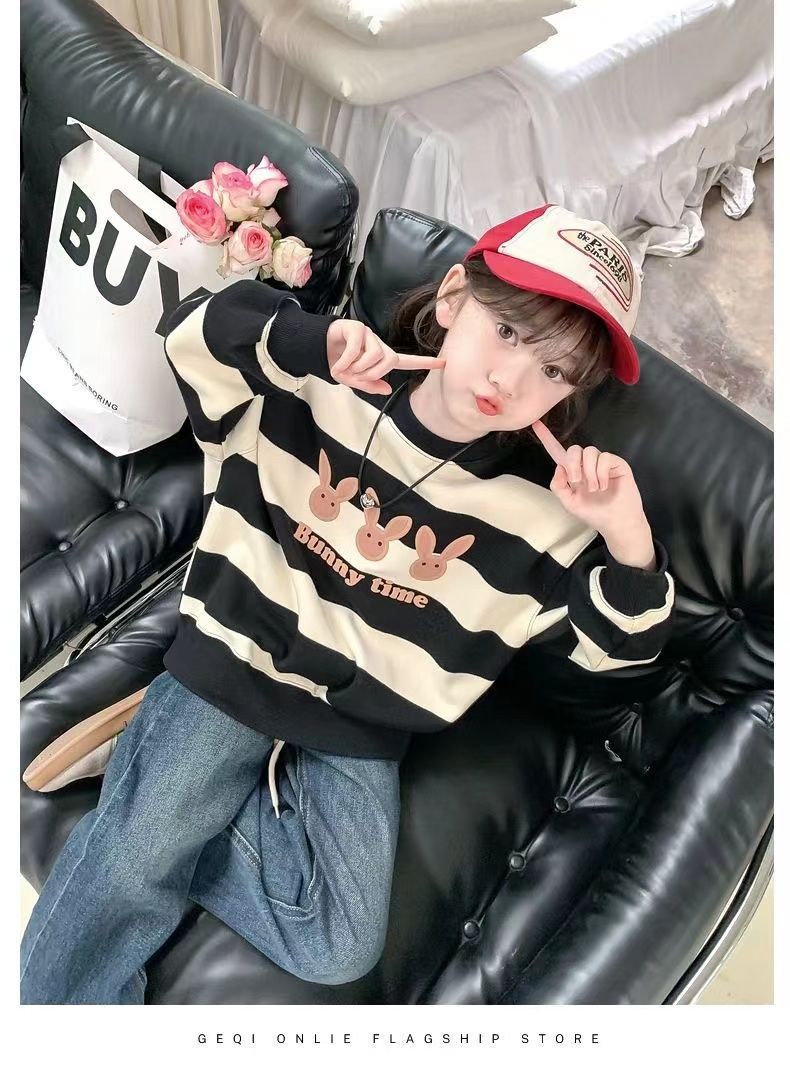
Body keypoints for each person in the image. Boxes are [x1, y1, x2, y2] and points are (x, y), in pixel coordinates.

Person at [20, 204, 676, 1004]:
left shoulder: (542, 516)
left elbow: (617, 657)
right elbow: (190, 335)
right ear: (453, 297)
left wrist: (629, 538)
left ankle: (142, 782)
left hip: (362, 727)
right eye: (507, 331)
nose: (511, 380)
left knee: (334, 943)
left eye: (555, 372)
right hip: (238, 660)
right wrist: (307, 340)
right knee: (131, 862)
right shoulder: (315, 382)